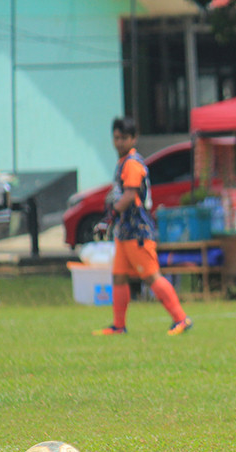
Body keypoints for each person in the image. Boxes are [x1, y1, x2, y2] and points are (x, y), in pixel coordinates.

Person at [93, 117, 192, 336]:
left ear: (133, 138)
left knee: (151, 276)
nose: (119, 142)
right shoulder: (123, 162)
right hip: (125, 232)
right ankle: (119, 325)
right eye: (116, 137)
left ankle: (181, 319)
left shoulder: (132, 163)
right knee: (118, 276)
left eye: (124, 138)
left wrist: (108, 217)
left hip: (138, 231)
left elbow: (130, 194)